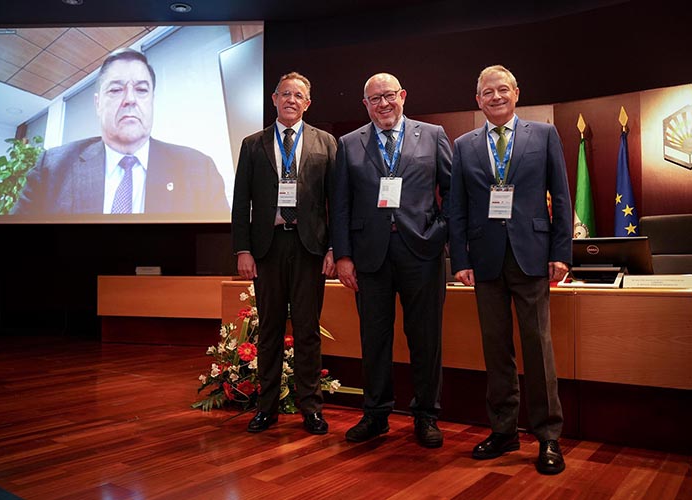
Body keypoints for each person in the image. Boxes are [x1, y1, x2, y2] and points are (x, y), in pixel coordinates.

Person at [448, 64, 572, 475]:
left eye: (503, 89)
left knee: (538, 348)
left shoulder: (544, 135)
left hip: (532, 255)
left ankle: (548, 436)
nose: (496, 97)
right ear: (477, 99)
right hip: (485, 260)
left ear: (516, 92)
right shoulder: (464, 145)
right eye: (488, 92)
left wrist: (561, 252)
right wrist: (460, 259)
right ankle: (503, 431)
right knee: (495, 349)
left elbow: (561, 196)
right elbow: (457, 208)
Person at [330, 73, 452, 448]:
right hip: (370, 256)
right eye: (374, 99)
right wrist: (343, 255)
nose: (383, 104)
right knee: (374, 339)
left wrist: (439, 232)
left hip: (422, 252)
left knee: (426, 338)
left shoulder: (433, 135)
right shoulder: (348, 144)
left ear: (403, 95)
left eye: (388, 96)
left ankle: (426, 416)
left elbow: (453, 193)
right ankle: (376, 414)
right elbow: (340, 205)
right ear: (365, 105)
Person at [231, 71, 337, 435]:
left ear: (308, 103)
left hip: (310, 248)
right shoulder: (252, 144)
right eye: (285, 94)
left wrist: (334, 248)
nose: (291, 100)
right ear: (274, 99)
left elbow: (336, 201)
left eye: (298, 95)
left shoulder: (326, 143)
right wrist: (243, 249)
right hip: (267, 248)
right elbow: (240, 202)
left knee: (308, 331)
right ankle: (267, 409)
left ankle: (312, 409)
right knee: (269, 331)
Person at [12, 47, 228, 218]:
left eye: (141, 90)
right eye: (116, 90)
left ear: (152, 101)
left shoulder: (198, 169)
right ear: (98, 103)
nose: (130, 99)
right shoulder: (53, 168)